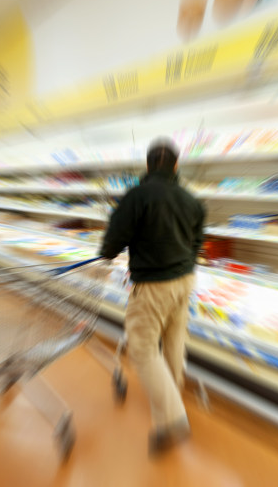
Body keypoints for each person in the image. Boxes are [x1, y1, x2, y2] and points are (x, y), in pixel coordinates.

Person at [99, 137, 205, 455]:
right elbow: (197, 242)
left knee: (143, 348)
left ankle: (172, 418)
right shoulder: (192, 200)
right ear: (175, 166)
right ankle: (170, 400)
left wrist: (108, 252)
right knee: (173, 342)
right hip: (185, 280)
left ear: (148, 165)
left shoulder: (136, 196)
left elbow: (113, 240)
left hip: (154, 284)